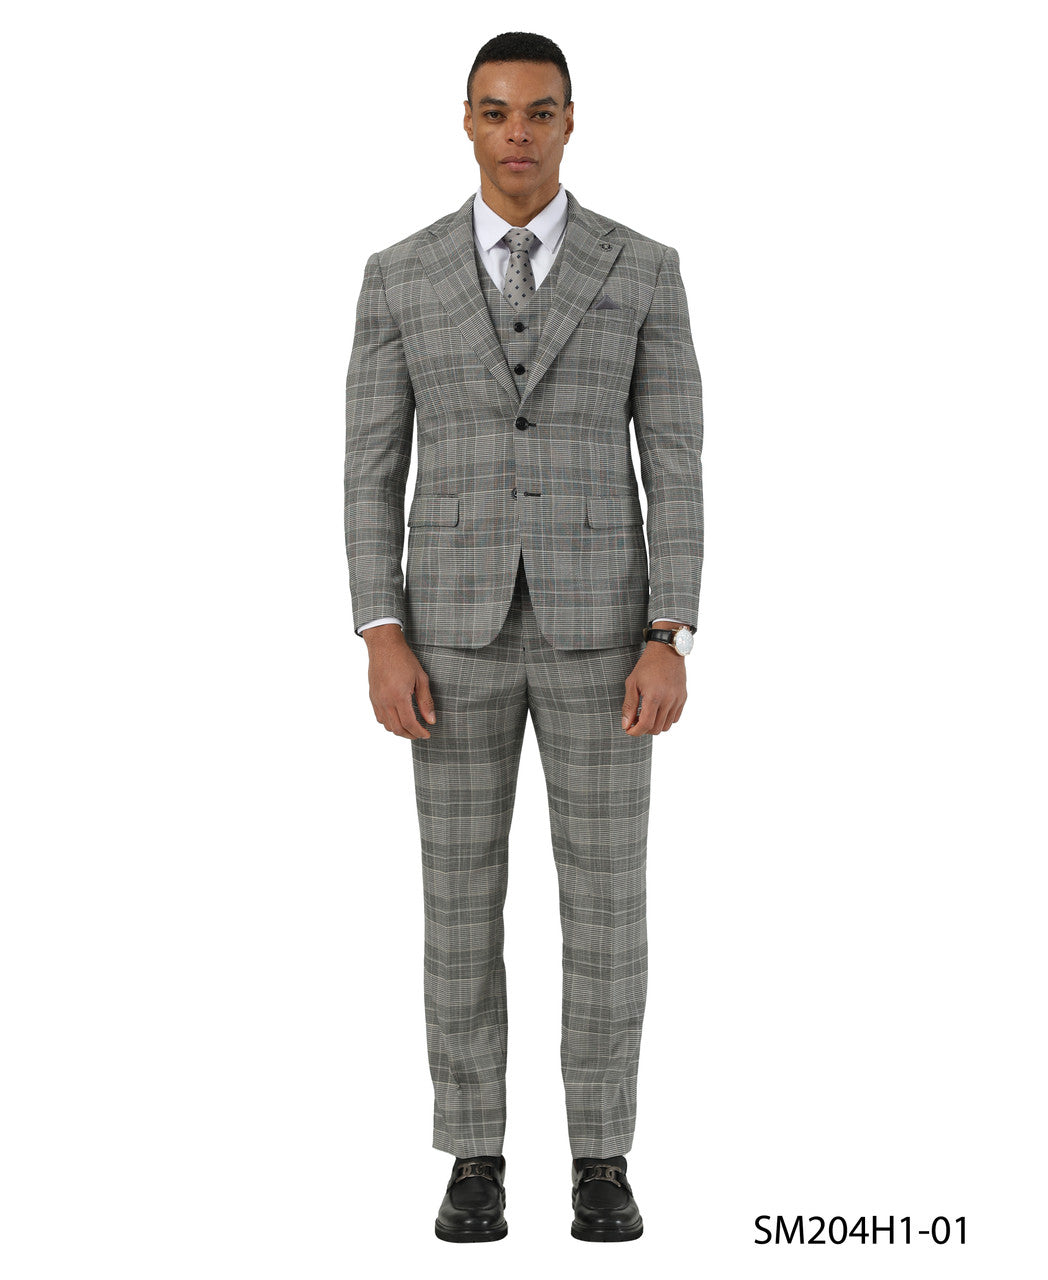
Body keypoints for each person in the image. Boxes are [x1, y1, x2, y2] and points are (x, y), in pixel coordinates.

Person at [343, 31, 704, 1243]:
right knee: (458, 900)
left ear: (568, 121)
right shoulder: (399, 275)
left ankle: (601, 1153)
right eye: (495, 110)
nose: (516, 133)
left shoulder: (641, 268)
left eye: (539, 111)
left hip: (606, 635)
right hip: (447, 636)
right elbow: (368, 466)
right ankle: (473, 1153)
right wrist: (380, 628)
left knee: (607, 902)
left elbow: (675, 460)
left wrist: (670, 628)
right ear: (466, 120)